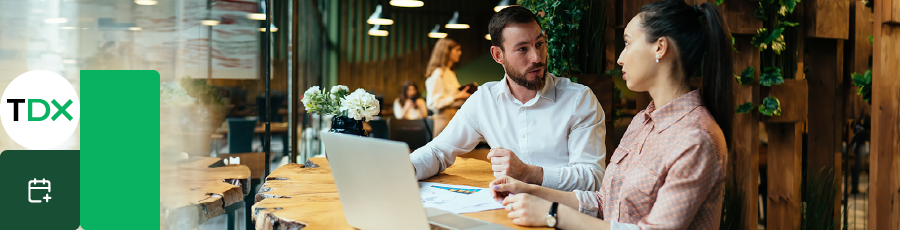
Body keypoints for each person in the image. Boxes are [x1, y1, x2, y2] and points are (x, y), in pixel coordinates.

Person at [489, 1, 733, 229]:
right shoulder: (643, 121)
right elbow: (605, 203)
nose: (620, 58)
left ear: (660, 48)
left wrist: (552, 213)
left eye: (627, 43)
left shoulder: (696, 138)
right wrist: (528, 191)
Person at [410, 6, 607, 192]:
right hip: (505, 210)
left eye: (539, 44)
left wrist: (530, 174)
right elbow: (438, 152)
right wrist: (405, 169)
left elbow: (593, 178)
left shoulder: (578, 100)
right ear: (498, 55)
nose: (537, 57)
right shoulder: (484, 101)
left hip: (562, 215)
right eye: (523, 49)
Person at [424, 38, 472, 137]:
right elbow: (432, 103)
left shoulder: (450, 73)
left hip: (454, 118)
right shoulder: (438, 73)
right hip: (443, 120)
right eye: (457, 50)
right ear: (447, 52)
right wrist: (457, 97)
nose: (460, 53)